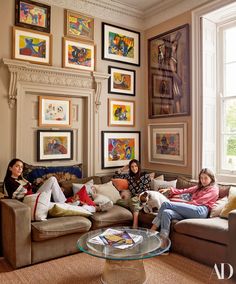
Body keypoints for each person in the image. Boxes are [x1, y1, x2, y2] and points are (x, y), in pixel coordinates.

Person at [3, 158, 113, 212]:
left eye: (21, 167)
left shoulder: (22, 180)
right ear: (10, 168)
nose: (20, 169)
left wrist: (52, 188)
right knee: (53, 182)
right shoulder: (9, 182)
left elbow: (33, 189)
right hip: (31, 201)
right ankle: (95, 208)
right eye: (17, 166)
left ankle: (95, 208)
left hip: (36, 197)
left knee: (54, 182)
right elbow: (26, 194)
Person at [150, 168, 219, 245]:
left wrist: (183, 205)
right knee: (166, 213)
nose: (203, 180)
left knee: (166, 204)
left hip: (200, 211)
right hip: (191, 210)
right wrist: (169, 190)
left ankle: (152, 231)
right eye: (201, 178)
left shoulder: (214, 189)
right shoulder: (199, 187)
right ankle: (164, 243)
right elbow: (184, 190)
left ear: (211, 178)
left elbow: (200, 201)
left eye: (205, 178)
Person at [114, 159, 151, 228]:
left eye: (136, 166)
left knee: (134, 200)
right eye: (132, 167)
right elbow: (116, 176)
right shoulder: (129, 176)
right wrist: (123, 168)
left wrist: (139, 196)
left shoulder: (145, 175)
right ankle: (139, 207)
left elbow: (146, 189)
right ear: (130, 168)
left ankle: (135, 225)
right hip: (133, 199)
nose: (134, 168)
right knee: (118, 201)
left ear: (139, 166)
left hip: (143, 197)